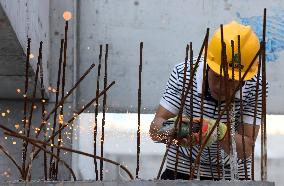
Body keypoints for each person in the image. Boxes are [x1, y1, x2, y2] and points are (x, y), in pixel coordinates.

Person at [149, 21, 267, 180]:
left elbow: (247, 149)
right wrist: (176, 128)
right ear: (208, 65)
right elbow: (155, 130)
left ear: (245, 79)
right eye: (217, 76)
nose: (222, 86)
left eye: (232, 80)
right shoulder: (184, 74)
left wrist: (220, 132)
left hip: (232, 171)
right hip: (182, 165)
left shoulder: (256, 86)